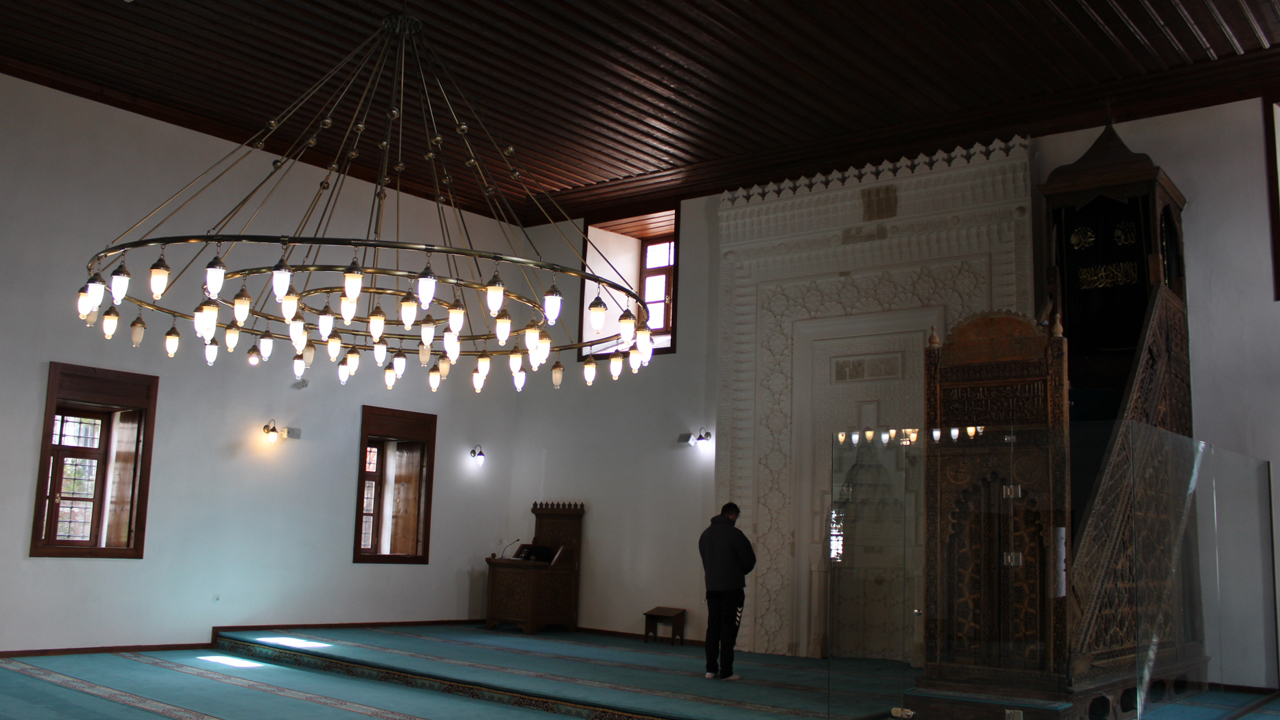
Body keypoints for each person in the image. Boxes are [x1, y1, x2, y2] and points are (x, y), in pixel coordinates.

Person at [698, 501, 756, 680]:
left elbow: (705, 561)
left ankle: (710, 669)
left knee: (713, 628)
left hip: (712, 588)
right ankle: (726, 671)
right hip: (732, 589)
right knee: (729, 629)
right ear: (733, 516)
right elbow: (749, 560)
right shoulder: (735, 534)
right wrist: (738, 572)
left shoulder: (705, 535)